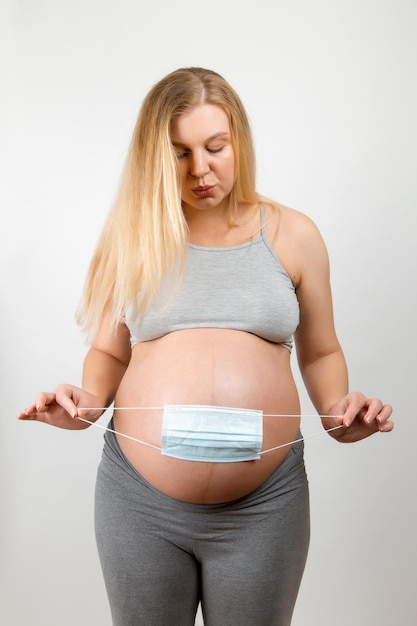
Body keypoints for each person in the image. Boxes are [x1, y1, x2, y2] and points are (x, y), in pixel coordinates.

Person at [18, 67, 394, 626]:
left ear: (238, 139)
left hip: (264, 507)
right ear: (154, 157)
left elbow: (318, 352)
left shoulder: (294, 235)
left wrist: (341, 415)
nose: (200, 170)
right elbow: (109, 351)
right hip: (140, 504)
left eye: (215, 147)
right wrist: (84, 402)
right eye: (178, 153)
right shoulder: (135, 237)